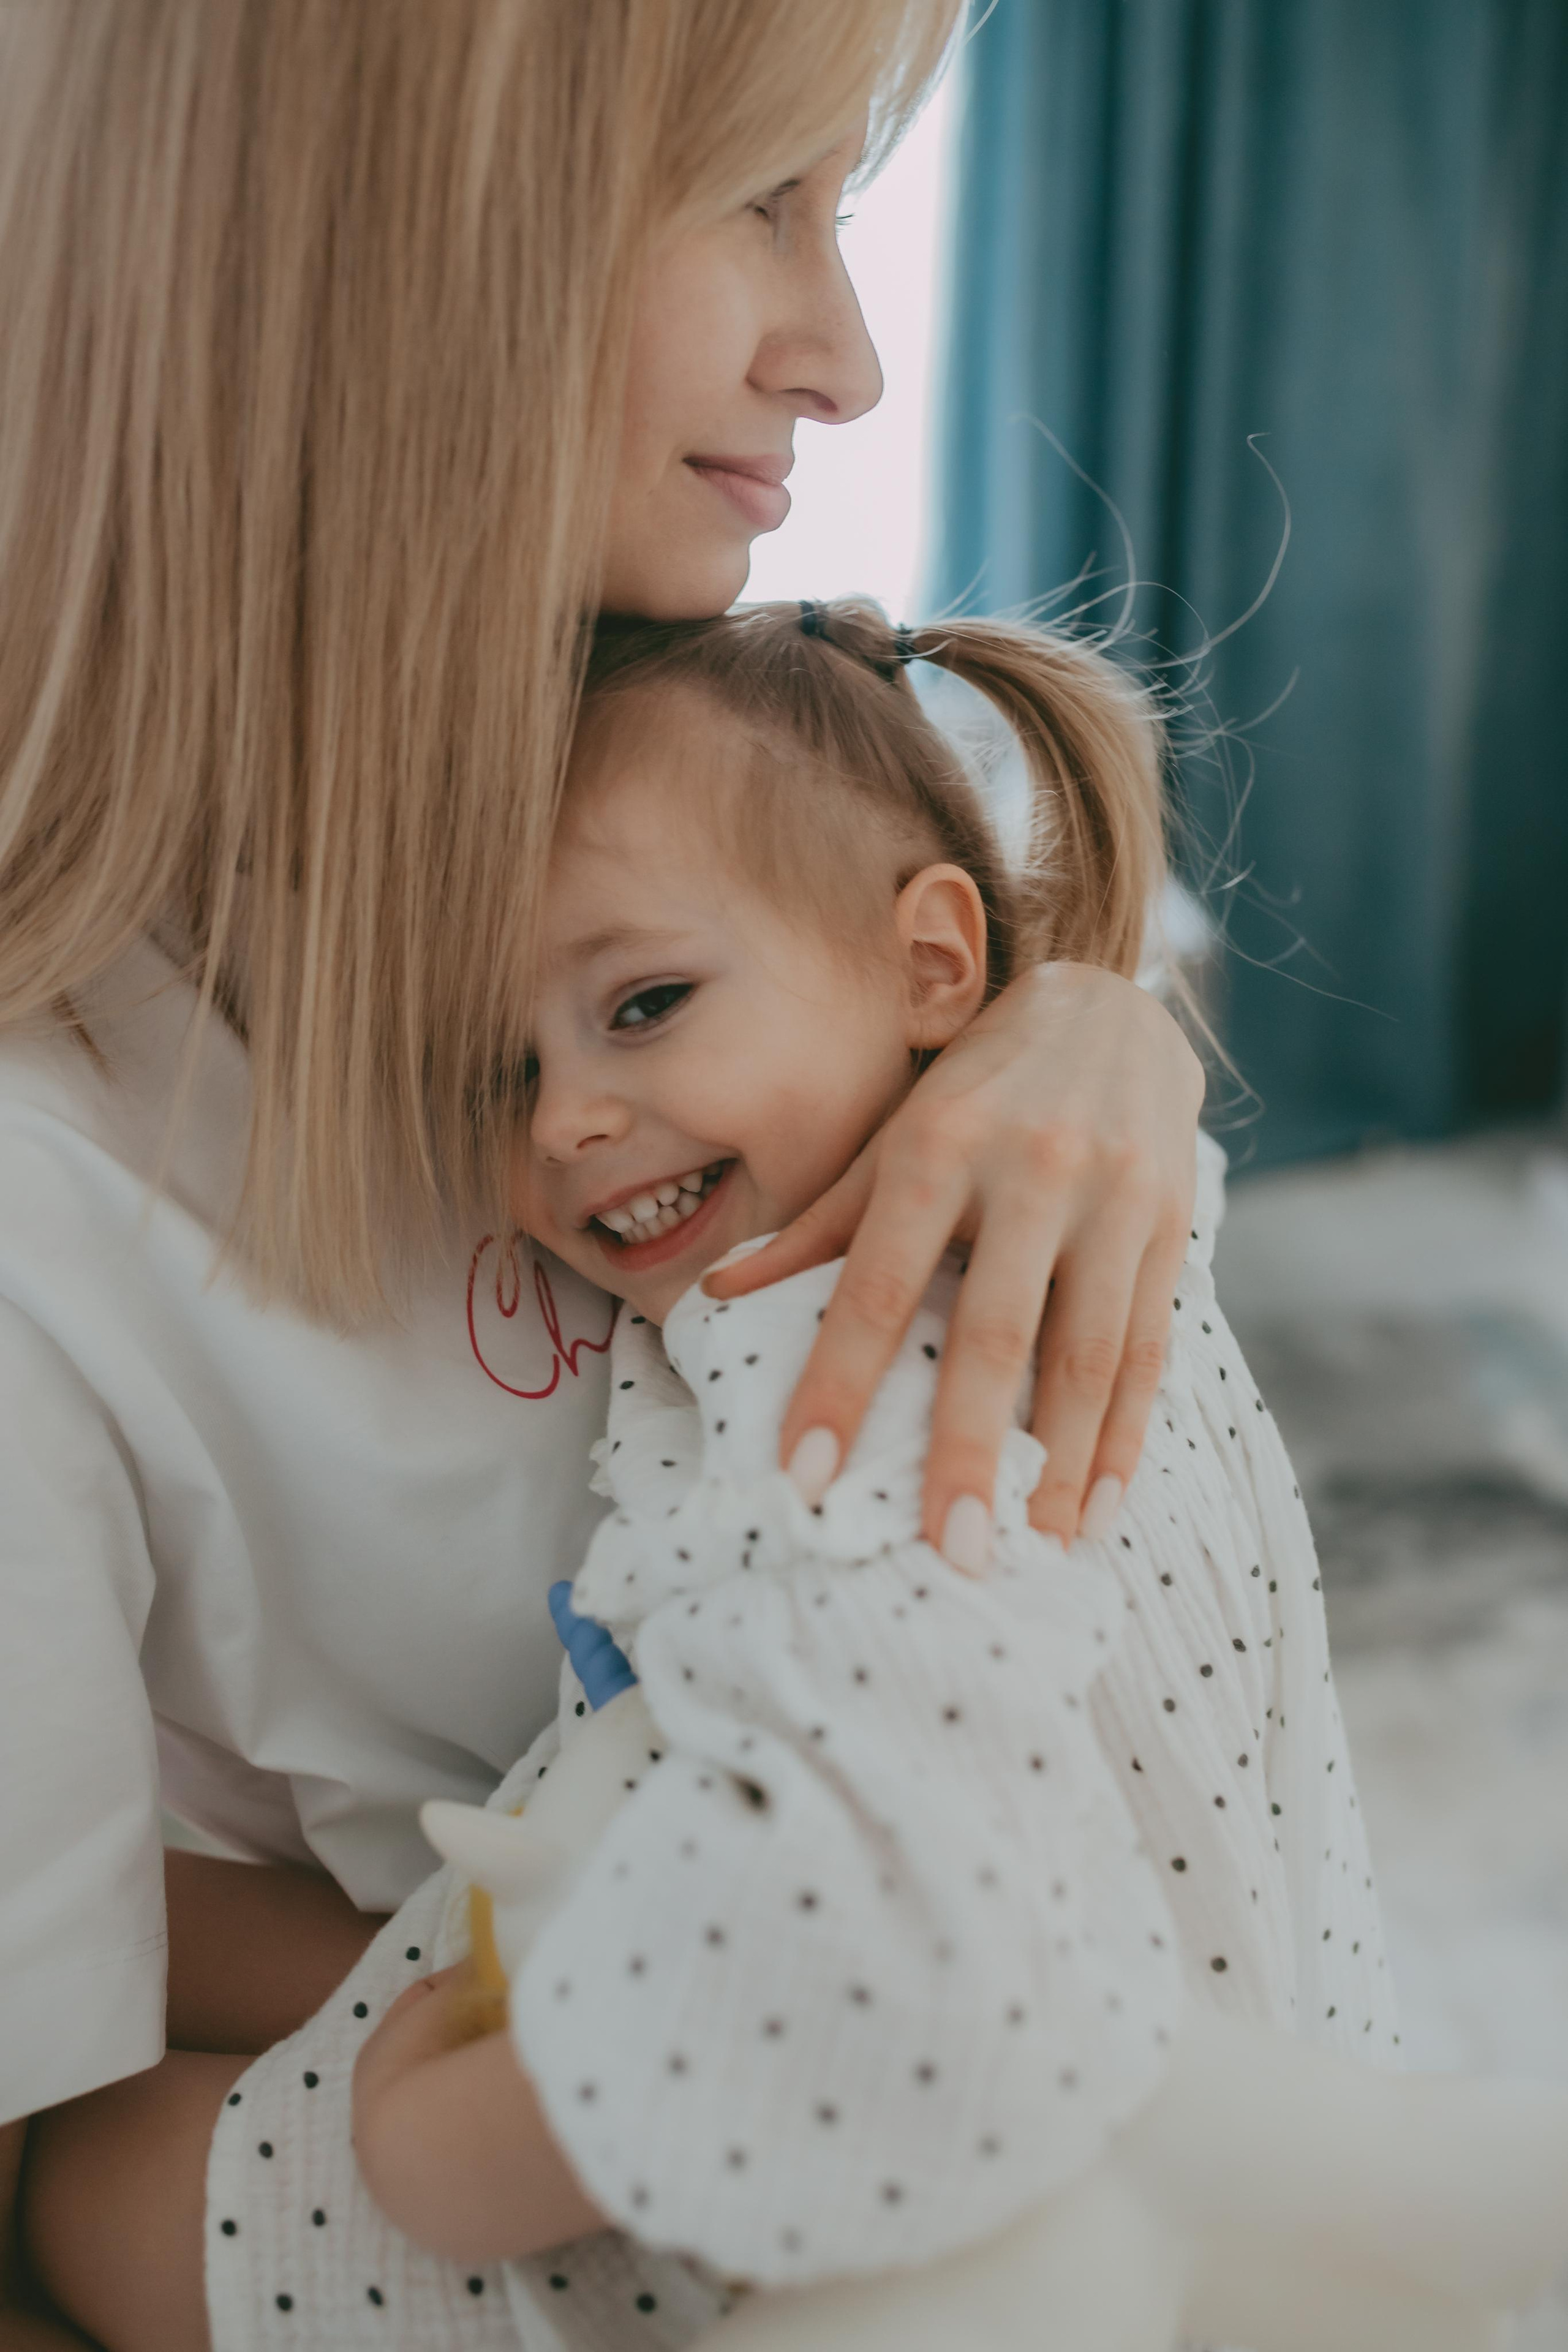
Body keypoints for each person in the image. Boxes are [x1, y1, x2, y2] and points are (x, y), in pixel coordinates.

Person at [0, 7, 1208, 2348]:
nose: (846, 359)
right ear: (394, 256)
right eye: (765, 201)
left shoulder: (616, 735)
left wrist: (1091, 1028)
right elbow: (70, 2147)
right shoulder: (55, 1210)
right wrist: (627, 2015)